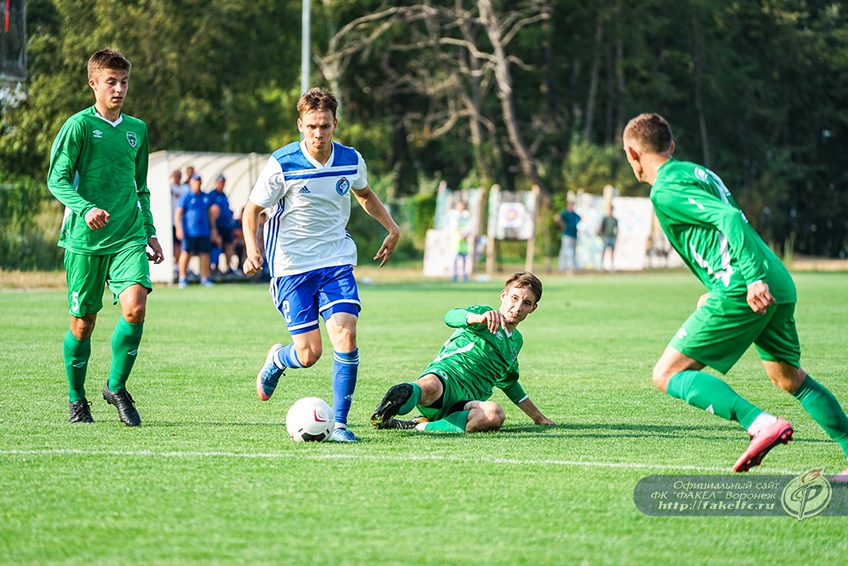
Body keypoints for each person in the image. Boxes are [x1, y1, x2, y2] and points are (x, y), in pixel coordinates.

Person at [622, 113, 848, 475]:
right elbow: (718, 234)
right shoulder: (697, 172)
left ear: (632, 153)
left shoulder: (664, 188)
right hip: (775, 278)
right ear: (672, 147)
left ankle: (759, 424)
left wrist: (752, 279)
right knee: (789, 378)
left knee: (666, 374)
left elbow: (727, 218)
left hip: (747, 283)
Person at [242, 87, 401, 443]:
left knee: (346, 335)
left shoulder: (350, 158)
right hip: (291, 265)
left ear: (335, 124)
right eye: (311, 126)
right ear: (300, 124)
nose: (318, 133)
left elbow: (364, 194)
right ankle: (279, 360)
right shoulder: (282, 163)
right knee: (309, 353)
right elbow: (251, 210)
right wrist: (253, 251)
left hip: (335, 260)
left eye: (325, 126)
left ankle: (341, 424)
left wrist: (391, 227)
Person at [46, 48, 164, 426]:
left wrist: (150, 232)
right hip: (85, 240)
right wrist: (85, 208)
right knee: (83, 323)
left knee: (135, 307)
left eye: (124, 82)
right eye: (111, 81)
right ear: (93, 83)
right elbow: (57, 179)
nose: (119, 89)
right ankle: (77, 399)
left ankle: (116, 386)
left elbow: (140, 186)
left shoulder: (137, 130)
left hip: (128, 234)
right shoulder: (79, 126)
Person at [370, 272, 555, 433]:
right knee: (429, 387)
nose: (518, 307)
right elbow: (450, 316)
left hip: (465, 403)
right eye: (514, 298)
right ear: (503, 295)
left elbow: (509, 383)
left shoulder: (516, 341)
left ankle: (417, 426)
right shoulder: (484, 313)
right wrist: (477, 319)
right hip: (447, 378)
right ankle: (393, 405)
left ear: (533, 308)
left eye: (526, 302)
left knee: (494, 414)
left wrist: (538, 417)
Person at [175, 173, 220, 288]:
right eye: (195, 181)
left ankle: (205, 278)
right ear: (190, 182)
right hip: (189, 231)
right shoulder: (186, 196)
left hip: (204, 230)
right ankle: (183, 278)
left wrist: (213, 228)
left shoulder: (205, 197)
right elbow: (178, 213)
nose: (197, 183)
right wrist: (179, 228)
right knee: (186, 253)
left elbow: (210, 213)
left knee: (205, 254)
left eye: (198, 181)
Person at [208, 174, 236, 275]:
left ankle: (229, 267)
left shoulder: (224, 195)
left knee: (229, 245)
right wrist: (213, 229)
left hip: (226, 226)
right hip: (217, 226)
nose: (221, 184)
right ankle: (213, 266)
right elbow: (211, 212)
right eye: (220, 182)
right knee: (217, 245)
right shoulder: (212, 195)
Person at [445, 199, 472, 282]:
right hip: (456, 240)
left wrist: (466, 235)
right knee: (455, 259)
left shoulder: (466, 216)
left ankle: (464, 276)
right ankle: (454, 276)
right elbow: (454, 227)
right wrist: (460, 234)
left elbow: (469, 226)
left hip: (464, 241)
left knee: (464, 259)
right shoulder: (454, 215)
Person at [555, 201, 580, 275]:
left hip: (574, 235)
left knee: (573, 252)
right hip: (567, 235)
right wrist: (562, 225)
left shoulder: (575, 215)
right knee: (565, 251)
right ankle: (562, 267)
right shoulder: (565, 213)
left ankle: (573, 266)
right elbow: (557, 218)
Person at [169, 169, 188, 263]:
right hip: (172, 221)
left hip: (183, 222)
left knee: (182, 246)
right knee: (175, 245)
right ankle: (176, 264)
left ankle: (181, 265)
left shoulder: (185, 188)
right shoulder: (169, 187)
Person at [598, 206, 618, 272]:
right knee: (604, 252)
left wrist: (616, 236)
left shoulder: (615, 220)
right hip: (606, 237)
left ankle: (612, 267)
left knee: (612, 252)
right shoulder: (605, 219)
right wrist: (602, 235)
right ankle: (601, 266)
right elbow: (601, 227)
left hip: (612, 237)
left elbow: (617, 229)